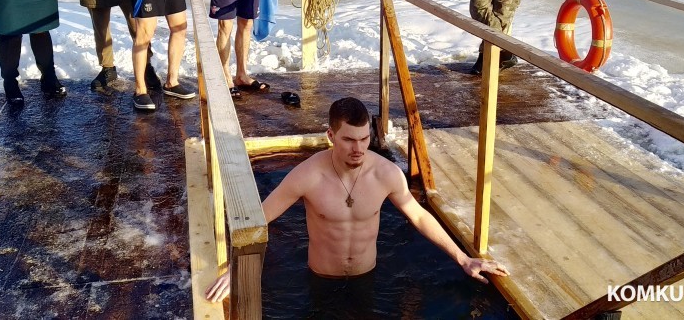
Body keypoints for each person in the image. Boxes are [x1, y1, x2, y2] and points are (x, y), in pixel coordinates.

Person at [204, 97, 509, 304]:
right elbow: (260, 218)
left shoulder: (386, 173)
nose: (359, 149)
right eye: (349, 139)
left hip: (368, 279)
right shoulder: (307, 176)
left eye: (364, 139)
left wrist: (463, 259)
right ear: (330, 135)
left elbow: (418, 216)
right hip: (321, 281)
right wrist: (236, 268)